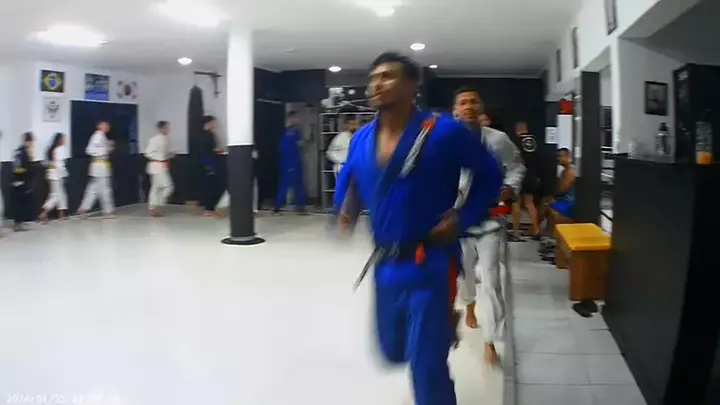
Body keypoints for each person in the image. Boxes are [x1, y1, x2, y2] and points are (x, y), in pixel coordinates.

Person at [335, 52, 503, 405]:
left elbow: (490, 174)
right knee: (391, 350)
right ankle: (440, 329)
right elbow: (350, 177)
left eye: (388, 76)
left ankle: (436, 337)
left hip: (431, 262)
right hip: (386, 264)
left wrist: (463, 216)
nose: (376, 84)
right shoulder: (361, 138)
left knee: (426, 367)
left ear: (412, 85)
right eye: (374, 77)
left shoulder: (444, 132)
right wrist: (343, 210)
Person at [453, 86, 525, 365]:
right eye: (463, 102)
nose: (469, 106)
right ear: (455, 110)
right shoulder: (445, 141)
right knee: (465, 276)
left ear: (481, 108)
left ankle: (491, 340)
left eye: (474, 101)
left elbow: (517, 167)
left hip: (491, 222)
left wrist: (510, 187)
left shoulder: (498, 139)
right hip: (459, 223)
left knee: (493, 281)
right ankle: (469, 306)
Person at [78, 121, 116, 219]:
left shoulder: (102, 136)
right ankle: (107, 211)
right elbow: (89, 150)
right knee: (104, 188)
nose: (107, 126)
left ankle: (83, 208)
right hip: (99, 165)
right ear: (98, 126)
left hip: (101, 165)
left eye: (107, 124)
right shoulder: (97, 136)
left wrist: (107, 148)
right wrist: (105, 150)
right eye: (104, 124)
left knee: (93, 188)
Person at [512, 120, 541, 238]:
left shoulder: (515, 141)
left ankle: (516, 232)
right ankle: (536, 230)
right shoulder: (534, 141)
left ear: (517, 130)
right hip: (531, 174)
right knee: (529, 203)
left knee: (516, 202)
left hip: (519, 173)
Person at [275, 111, 308, 214]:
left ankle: (282, 206)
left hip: (292, 161)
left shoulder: (291, 131)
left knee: (295, 184)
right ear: (291, 118)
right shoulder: (290, 132)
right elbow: (298, 145)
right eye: (297, 118)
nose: (299, 120)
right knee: (289, 184)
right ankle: (280, 206)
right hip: (290, 161)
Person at [145, 121, 175, 217]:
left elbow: (164, 154)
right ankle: (159, 205)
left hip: (162, 165)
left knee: (156, 187)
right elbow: (148, 153)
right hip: (156, 165)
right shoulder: (155, 139)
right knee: (168, 186)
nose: (168, 130)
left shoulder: (166, 139)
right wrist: (162, 156)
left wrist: (169, 155)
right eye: (167, 128)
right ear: (161, 128)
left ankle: (152, 207)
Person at [199, 115, 225, 217]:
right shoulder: (206, 135)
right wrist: (216, 151)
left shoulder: (207, 135)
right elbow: (205, 151)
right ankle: (208, 208)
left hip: (209, 161)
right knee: (211, 185)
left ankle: (210, 207)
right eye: (213, 123)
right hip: (209, 161)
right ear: (208, 123)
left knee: (212, 184)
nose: (214, 125)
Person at [39, 133, 68, 222]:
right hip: (57, 174)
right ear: (59, 140)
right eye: (63, 139)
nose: (64, 141)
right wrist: (64, 174)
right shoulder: (59, 150)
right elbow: (59, 165)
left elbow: (44, 163)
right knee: (56, 195)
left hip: (51, 174)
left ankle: (61, 215)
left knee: (61, 195)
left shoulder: (51, 150)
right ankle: (44, 213)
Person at [11, 132, 35, 231]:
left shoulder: (18, 151)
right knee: (21, 203)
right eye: (32, 142)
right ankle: (18, 223)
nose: (32, 144)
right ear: (28, 141)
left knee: (20, 203)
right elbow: (19, 168)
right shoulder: (23, 153)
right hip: (21, 181)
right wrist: (27, 171)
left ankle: (19, 223)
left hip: (17, 180)